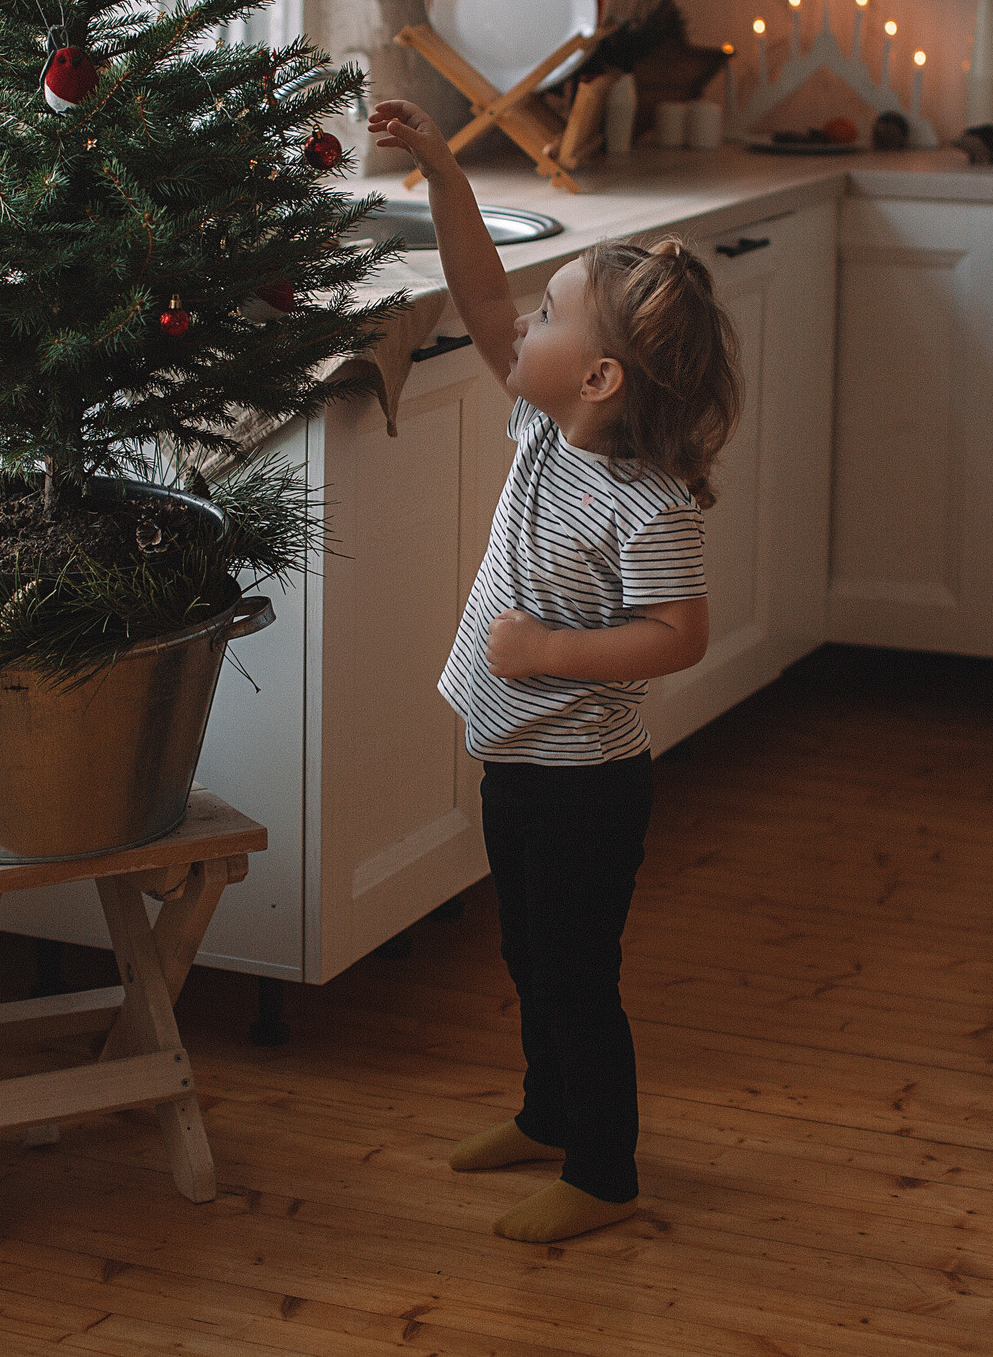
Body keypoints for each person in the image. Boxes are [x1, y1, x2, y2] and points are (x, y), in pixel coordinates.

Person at [366, 99, 742, 1244]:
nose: (519, 324)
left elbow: (681, 636)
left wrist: (546, 652)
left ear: (601, 381)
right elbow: (482, 289)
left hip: (587, 784)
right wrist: (441, 171)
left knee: (576, 973)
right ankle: (544, 1114)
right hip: (517, 762)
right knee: (527, 954)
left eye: (552, 317)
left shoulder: (649, 503)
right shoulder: (546, 432)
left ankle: (604, 1172)